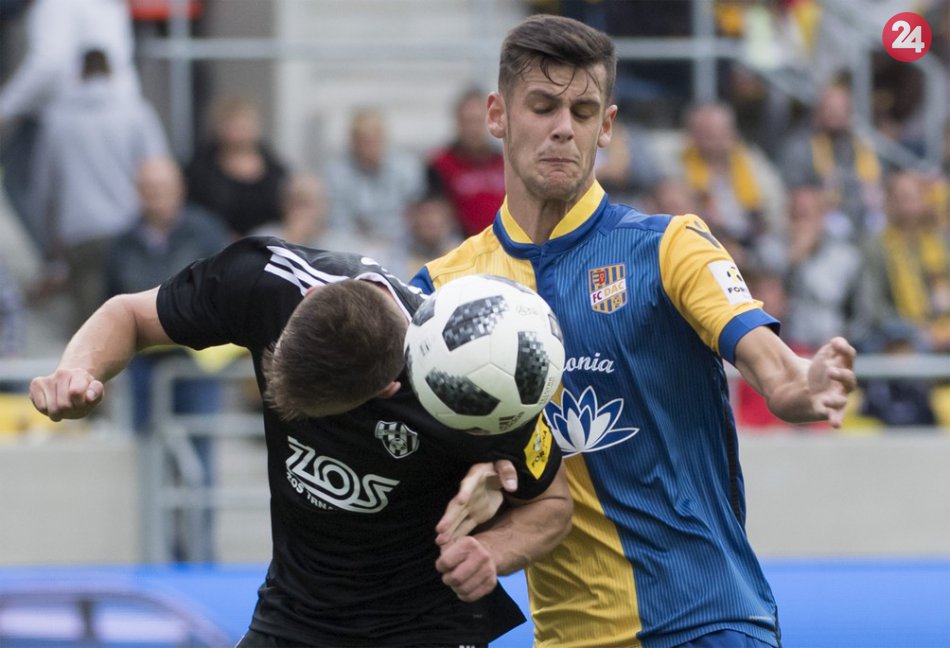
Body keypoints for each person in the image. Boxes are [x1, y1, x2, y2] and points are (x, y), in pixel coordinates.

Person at [413, 15, 856, 647]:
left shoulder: (671, 247)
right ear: (497, 115)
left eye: (583, 111)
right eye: (542, 106)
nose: (563, 127)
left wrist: (802, 383)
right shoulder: (442, 292)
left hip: (706, 622)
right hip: (566, 637)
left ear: (607, 127)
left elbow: (774, 368)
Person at [30, 235, 571, 647]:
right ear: (311, 296)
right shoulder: (265, 280)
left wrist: (491, 552)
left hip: (424, 624)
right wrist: (77, 371)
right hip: (293, 613)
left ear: (386, 387)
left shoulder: (474, 387)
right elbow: (128, 315)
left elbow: (552, 505)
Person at [104, 156, 231, 561]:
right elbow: (111, 307)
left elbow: (220, 293)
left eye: (163, 188)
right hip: (144, 368)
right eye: (148, 189)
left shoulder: (205, 232)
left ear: (180, 190)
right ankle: (160, 554)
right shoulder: (121, 244)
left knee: (200, 461)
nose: (156, 197)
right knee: (151, 461)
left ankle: (200, 555)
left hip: (196, 364)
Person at [29, 48, 168, 332]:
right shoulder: (135, 112)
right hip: (129, 226)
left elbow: (44, 186)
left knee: (91, 328)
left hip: (79, 231)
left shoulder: (58, 119)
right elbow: (159, 168)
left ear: (79, 74)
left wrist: (49, 239)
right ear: (111, 72)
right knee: (136, 323)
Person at [185, 95, 288, 238]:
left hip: (268, 241)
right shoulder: (201, 168)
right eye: (234, 126)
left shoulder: (274, 167)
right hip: (216, 242)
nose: (240, 133)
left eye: (244, 126)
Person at [426, 87, 507, 237]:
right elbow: (436, 214)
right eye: (467, 121)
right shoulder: (440, 165)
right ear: (457, 122)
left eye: (477, 121)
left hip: (504, 241)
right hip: (460, 243)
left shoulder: (505, 162)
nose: (472, 129)